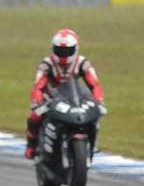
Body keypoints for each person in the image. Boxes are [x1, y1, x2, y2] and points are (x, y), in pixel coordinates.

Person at [24, 29, 105, 159]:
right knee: (34, 117)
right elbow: (38, 87)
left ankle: (93, 142)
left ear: (76, 49)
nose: (63, 55)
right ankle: (31, 145)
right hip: (51, 99)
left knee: (94, 115)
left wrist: (99, 101)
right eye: (59, 51)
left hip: (76, 98)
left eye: (67, 51)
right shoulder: (46, 64)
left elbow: (95, 85)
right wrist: (37, 102)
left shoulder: (83, 63)